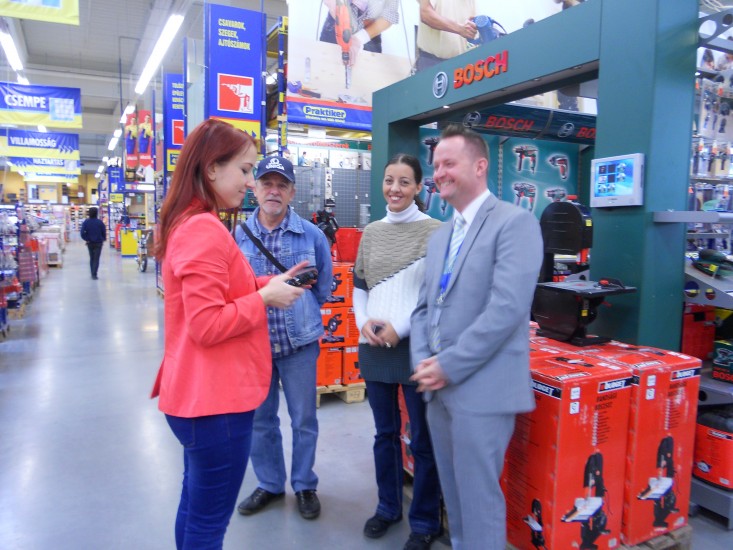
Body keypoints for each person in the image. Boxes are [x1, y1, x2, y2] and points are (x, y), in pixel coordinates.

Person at [150, 119, 307, 550]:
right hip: (215, 402)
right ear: (212, 168)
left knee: (195, 506)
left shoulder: (191, 222)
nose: (251, 182)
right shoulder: (202, 229)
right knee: (208, 524)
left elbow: (220, 292)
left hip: (200, 398)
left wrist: (267, 285)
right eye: (245, 169)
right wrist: (264, 299)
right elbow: (207, 325)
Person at [410, 124, 543, 550]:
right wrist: (423, 361)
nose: (439, 174)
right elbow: (423, 308)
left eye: (449, 163)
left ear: (480, 166)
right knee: (455, 497)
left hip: (482, 391)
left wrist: (447, 365)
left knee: (479, 500)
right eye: (436, 166)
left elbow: (506, 309)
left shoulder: (515, 223)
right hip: (438, 391)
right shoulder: (440, 237)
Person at [234, 155, 333, 520]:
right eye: (267, 184)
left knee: (304, 419)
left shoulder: (312, 235)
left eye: (282, 185)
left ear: (292, 192)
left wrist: (302, 313)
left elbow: (323, 288)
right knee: (260, 421)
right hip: (254, 344)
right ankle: (270, 483)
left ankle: (304, 484)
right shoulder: (237, 237)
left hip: (299, 346)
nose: (273, 191)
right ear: (255, 189)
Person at [353, 154, 442, 550]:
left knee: (422, 440)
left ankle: (424, 522)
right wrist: (364, 323)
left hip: (416, 349)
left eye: (405, 182)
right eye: (389, 180)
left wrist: (399, 329)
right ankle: (388, 507)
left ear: (419, 187)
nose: (395, 188)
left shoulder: (436, 232)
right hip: (375, 349)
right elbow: (360, 287)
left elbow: (436, 295)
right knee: (385, 434)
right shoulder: (372, 232)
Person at [319, 0, 400, 66]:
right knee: (327, 69)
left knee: (369, 76)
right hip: (337, 24)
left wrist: (360, 38)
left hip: (370, 31)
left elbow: (389, 16)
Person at [415, 0, 477, 72]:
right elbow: (426, 14)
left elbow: (473, 26)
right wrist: (460, 29)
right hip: (431, 61)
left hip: (460, 64)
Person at [80, 206, 106, 280]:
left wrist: (86, 239)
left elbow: (82, 233)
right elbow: (103, 232)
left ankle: (92, 273)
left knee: (91, 258)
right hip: (98, 243)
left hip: (90, 243)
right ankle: (94, 274)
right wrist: (103, 239)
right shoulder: (100, 222)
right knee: (96, 258)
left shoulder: (86, 222)